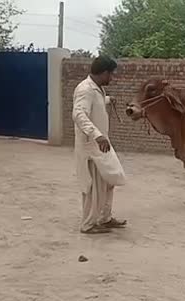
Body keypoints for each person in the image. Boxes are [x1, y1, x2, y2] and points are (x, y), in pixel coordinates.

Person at [73, 55, 127, 234]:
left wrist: (108, 100)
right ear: (104, 73)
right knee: (93, 186)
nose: (112, 78)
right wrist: (97, 135)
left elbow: (94, 104)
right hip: (92, 147)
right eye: (111, 74)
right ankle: (88, 225)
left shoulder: (97, 89)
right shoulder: (85, 90)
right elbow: (79, 114)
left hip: (101, 146)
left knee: (108, 181)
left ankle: (104, 218)